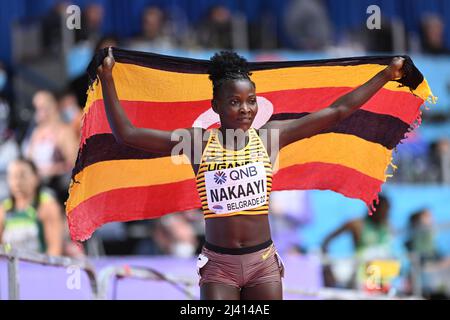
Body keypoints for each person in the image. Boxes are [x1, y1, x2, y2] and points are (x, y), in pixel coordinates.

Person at [96, 47, 404, 300]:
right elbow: (127, 134)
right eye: (234, 102)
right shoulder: (197, 143)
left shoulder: (270, 137)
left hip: (263, 265)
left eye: (251, 101)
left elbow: (336, 112)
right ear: (215, 105)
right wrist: (107, 77)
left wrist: (386, 75)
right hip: (219, 267)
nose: (245, 109)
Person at [321, 196, 398, 291]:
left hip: (382, 276)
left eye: (387, 210)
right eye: (383, 210)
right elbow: (326, 240)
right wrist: (328, 267)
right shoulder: (357, 224)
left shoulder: (388, 227)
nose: (386, 214)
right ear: (374, 208)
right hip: (361, 274)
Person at [0, 158, 63, 255]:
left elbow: (54, 249)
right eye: (13, 176)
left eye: (22, 176)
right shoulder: (4, 208)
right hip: (10, 268)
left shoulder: (47, 205)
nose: (17, 182)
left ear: (36, 178)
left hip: (38, 268)